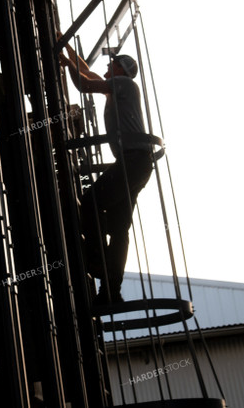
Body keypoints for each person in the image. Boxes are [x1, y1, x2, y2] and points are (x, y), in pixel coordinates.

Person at [58, 36, 153, 306]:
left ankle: (98, 263)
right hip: (136, 163)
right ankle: (111, 291)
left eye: (112, 65)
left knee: (91, 202)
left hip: (132, 161)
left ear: (121, 70)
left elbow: (84, 83)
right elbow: (87, 71)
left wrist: (64, 62)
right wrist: (64, 45)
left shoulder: (123, 84)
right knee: (120, 226)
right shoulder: (117, 87)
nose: (108, 68)